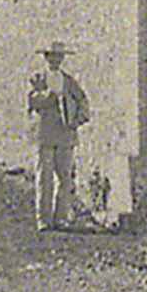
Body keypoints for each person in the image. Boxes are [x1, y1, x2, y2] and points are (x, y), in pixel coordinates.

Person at [26, 42, 89, 231]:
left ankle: (61, 217)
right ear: (46, 58)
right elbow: (33, 101)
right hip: (44, 135)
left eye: (59, 56)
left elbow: (83, 100)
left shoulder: (69, 81)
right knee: (45, 178)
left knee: (65, 178)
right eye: (52, 56)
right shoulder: (37, 79)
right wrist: (50, 97)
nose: (56, 60)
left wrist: (77, 119)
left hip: (65, 135)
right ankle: (44, 220)